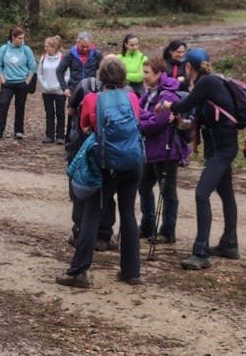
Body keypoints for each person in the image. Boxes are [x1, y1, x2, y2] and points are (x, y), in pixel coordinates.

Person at [56, 57, 142, 288]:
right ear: (124, 77)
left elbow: (84, 128)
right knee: (128, 214)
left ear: (100, 76)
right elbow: (138, 122)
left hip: (106, 164)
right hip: (133, 162)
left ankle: (78, 272)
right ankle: (131, 272)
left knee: (92, 215)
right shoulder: (132, 97)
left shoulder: (93, 99)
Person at [159, 47, 240, 270]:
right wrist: (181, 123)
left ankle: (201, 251)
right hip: (220, 148)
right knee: (226, 194)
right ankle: (229, 243)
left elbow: (184, 105)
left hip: (222, 150)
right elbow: (196, 118)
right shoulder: (210, 84)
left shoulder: (207, 83)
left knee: (201, 193)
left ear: (189, 67)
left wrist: (167, 105)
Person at [64, 66, 117, 252]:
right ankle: (103, 235)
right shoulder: (126, 94)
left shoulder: (86, 87)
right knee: (107, 193)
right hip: (112, 151)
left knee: (80, 190)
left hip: (84, 146)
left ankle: (80, 232)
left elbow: (71, 112)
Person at [138, 58, 190, 243]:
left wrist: (142, 119)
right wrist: (146, 116)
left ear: (158, 74)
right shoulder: (151, 93)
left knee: (167, 192)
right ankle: (147, 225)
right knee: (144, 186)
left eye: (147, 73)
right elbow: (137, 109)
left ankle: (168, 231)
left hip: (166, 149)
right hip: (150, 149)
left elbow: (156, 123)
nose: (143, 76)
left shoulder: (168, 96)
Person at [0, 27, 37, 140]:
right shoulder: (4, 49)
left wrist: (27, 81)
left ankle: (19, 130)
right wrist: (2, 78)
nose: (22, 40)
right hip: (8, 83)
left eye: (23, 38)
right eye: (19, 38)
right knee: (3, 104)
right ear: (13, 38)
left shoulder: (26, 50)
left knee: (20, 106)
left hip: (22, 82)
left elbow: (32, 66)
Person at [57, 32, 102, 140]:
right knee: (72, 116)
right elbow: (59, 71)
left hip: (91, 91)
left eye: (87, 46)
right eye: (82, 46)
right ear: (77, 43)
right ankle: (69, 142)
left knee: (90, 115)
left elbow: (104, 69)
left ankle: (88, 140)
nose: (85, 49)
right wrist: (65, 88)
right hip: (74, 90)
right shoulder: (70, 54)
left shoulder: (96, 54)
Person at [37, 35, 66, 144]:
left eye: (48, 46)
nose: (46, 48)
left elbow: (67, 74)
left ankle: (60, 136)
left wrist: (61, 86)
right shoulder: (43, 58)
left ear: (54, 47)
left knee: (60, 113)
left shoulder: (62, 58)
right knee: (49, 113)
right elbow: (40, 73)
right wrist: (43, 85)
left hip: (59, 91)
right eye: (45, 46)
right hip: (46, 90)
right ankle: (49, 135)